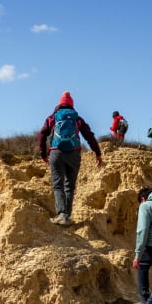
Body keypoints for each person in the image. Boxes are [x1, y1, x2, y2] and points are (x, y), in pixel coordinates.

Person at [38, 91, 102, 226]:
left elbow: (42, 135)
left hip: (56, 153)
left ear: (59, 104)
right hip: (74, 154)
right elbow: (89, 136)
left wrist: (43, 153)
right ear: (72, 104)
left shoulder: (53, 117)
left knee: (57, 185)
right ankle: (67, 216)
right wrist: (98, 153)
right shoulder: (77, 119)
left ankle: (61, 214)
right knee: (70, 186)